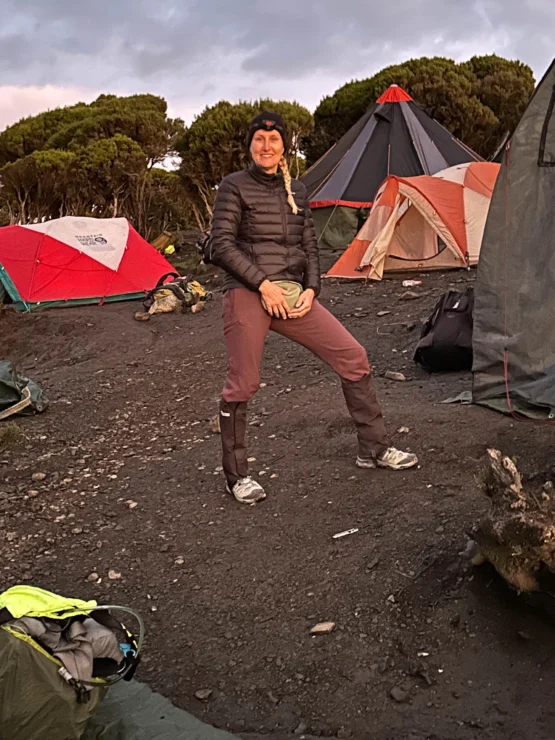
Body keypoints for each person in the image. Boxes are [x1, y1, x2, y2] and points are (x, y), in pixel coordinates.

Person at [209, 111, 418, 504]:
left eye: (273, 140)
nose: (266, 146)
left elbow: (309, 244)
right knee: (244, 383)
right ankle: (236, 477)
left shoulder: (298, 190)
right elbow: (221, 245)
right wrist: (262, 285)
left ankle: (373, 451)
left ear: (284, 146)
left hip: (293, 293)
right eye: (259, 140)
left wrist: (312, 289)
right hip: (248, 291)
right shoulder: (233, 186)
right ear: (250, 145)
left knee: (353, 357)